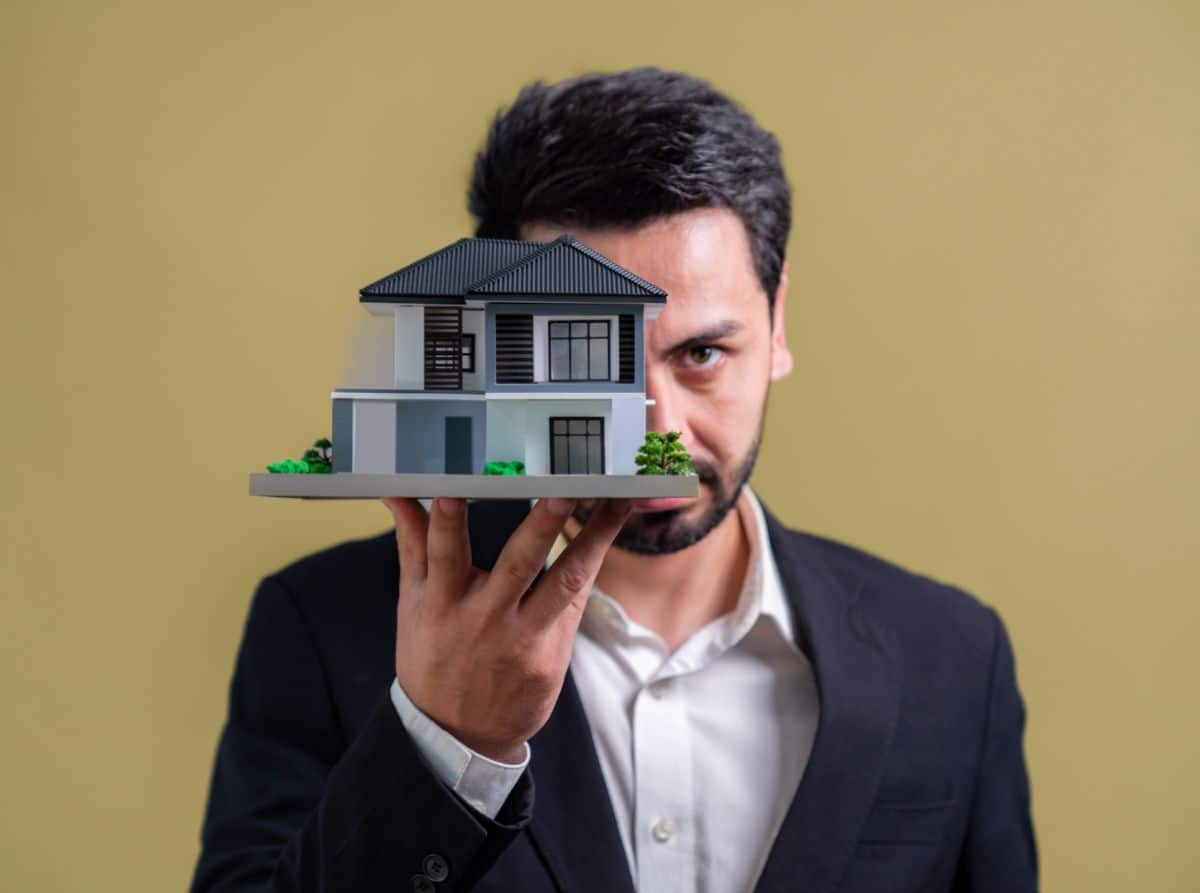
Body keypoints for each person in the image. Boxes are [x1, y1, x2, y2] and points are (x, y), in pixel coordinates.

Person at [192, 67, 1037, 892]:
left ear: (777, 323)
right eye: (583, 366)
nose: (654, 429)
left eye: (702, 353)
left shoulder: (954, 660)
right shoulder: (321, 628)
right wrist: (448, 745)